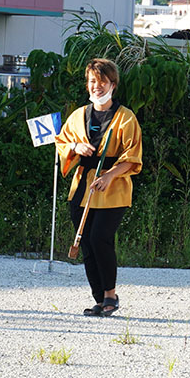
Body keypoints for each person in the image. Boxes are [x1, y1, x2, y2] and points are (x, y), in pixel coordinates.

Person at [56, 58, 142, 316]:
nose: (97, 86)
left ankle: (110, 295)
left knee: (100, 238)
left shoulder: (126, 118)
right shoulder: (78, 115)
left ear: (112, 84)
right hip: (82, 188)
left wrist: (110, 176)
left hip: (112, 189)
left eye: (102, 81)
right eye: (93, 81)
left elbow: (132, 156)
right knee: (85, 243)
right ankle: (98, 297)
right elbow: (61, 142)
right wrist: (74, 147)